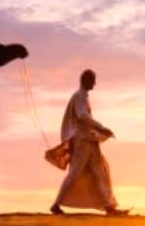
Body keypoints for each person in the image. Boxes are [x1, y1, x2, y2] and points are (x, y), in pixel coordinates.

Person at [50, 68, 127, 216]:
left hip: (89, 139)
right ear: (86, 81)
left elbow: (84, 117)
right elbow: (83, 116)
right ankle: (56, 204)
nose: (95, 84)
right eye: (93, 81)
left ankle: (109, 206)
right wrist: (102, 127)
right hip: (82, 141)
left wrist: (99, 131)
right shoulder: (79, 96)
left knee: (100, 172)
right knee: (75, 173)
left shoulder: (82, 96)